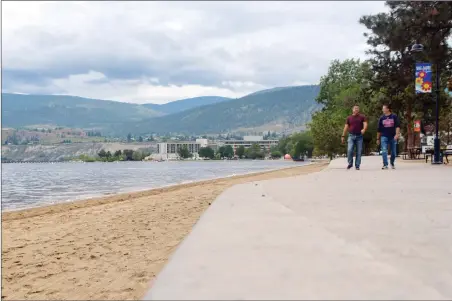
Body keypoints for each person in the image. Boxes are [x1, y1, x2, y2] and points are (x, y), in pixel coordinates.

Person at [341, 105, 368, 170]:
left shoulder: (362, 117)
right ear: (352, 110)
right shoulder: (349, 118)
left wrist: (364, 129)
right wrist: (343, 136)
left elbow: (365, 124)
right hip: (351, 136)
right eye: (355, 108)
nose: (356, 109)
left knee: (359, 151)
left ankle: (357, 165)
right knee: (349, 150)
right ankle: (350, 164)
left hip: (359, 136)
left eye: (357, 108)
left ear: (359, 110)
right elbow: (346, 127)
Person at [377, 104, 401, 169]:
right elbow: (379, 129)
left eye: (384, 108)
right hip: (384, 136)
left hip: (393, 137)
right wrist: (378, 139)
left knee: (393, 152)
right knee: (384, 150)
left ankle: (392, 163)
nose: (382, 110)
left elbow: (397, 126)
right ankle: (385, 164)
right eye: (382, 108)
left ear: (388, 109)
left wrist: (397, 134)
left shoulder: (394, 116)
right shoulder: (381, 118)